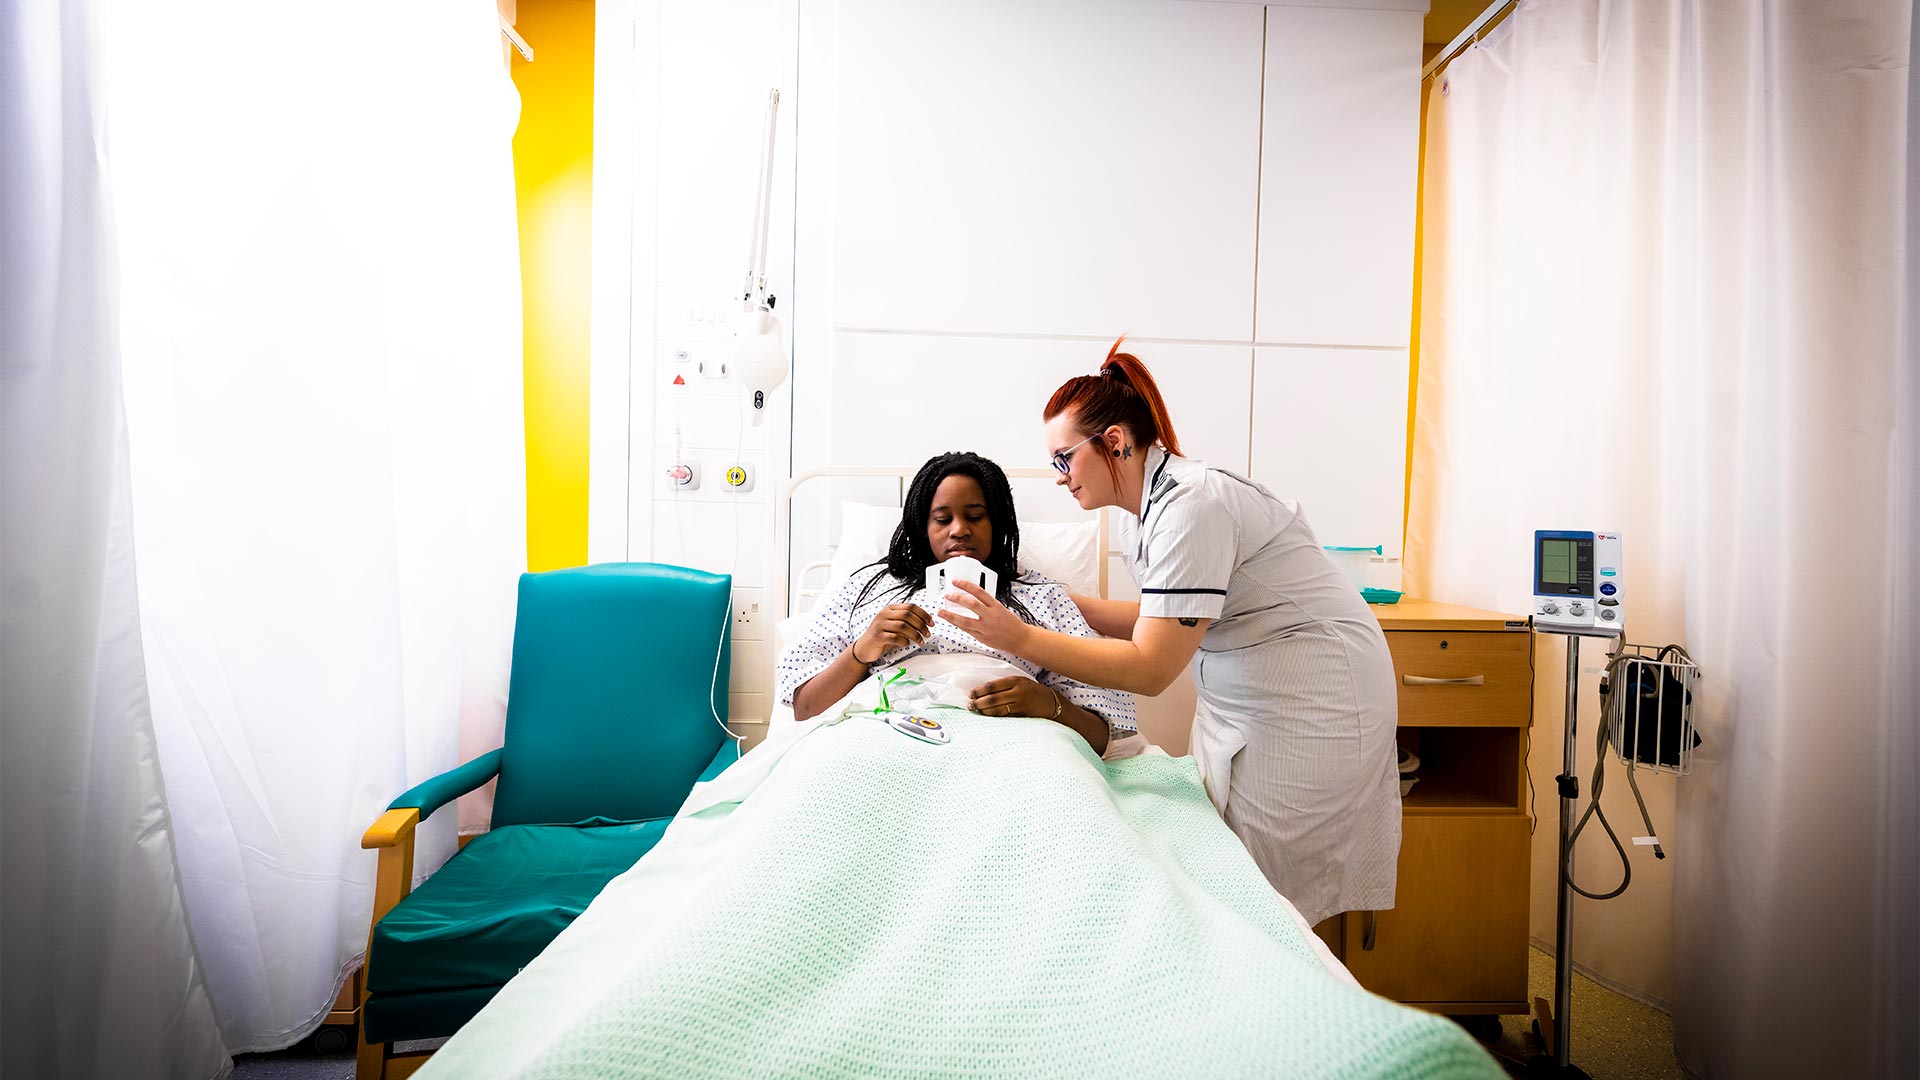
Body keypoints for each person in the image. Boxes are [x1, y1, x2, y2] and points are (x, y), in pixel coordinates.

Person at [939, 340, 1401, 929]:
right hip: (1243, 695)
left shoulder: (1193, 505)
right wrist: (1044, 602)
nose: (1058, 478)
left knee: (1276, 903)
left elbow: (1151, 668)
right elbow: (1158, 618)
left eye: (1063, 460)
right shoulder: (1142, 514)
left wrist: (1017, 637)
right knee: (1235, 876)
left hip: (1312, 700)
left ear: (1113, 443)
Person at [776, 451, 1135, 755]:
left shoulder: (1042, 596)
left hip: (1015, 748)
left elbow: (1104, 736)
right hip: (883, 737)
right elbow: (805, 708)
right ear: (922, 526)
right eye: (942, 519)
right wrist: (861, 651)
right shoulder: (869, 591)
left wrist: (1048, 704)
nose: (959, 529)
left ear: (998, 523)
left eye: (975, 517)